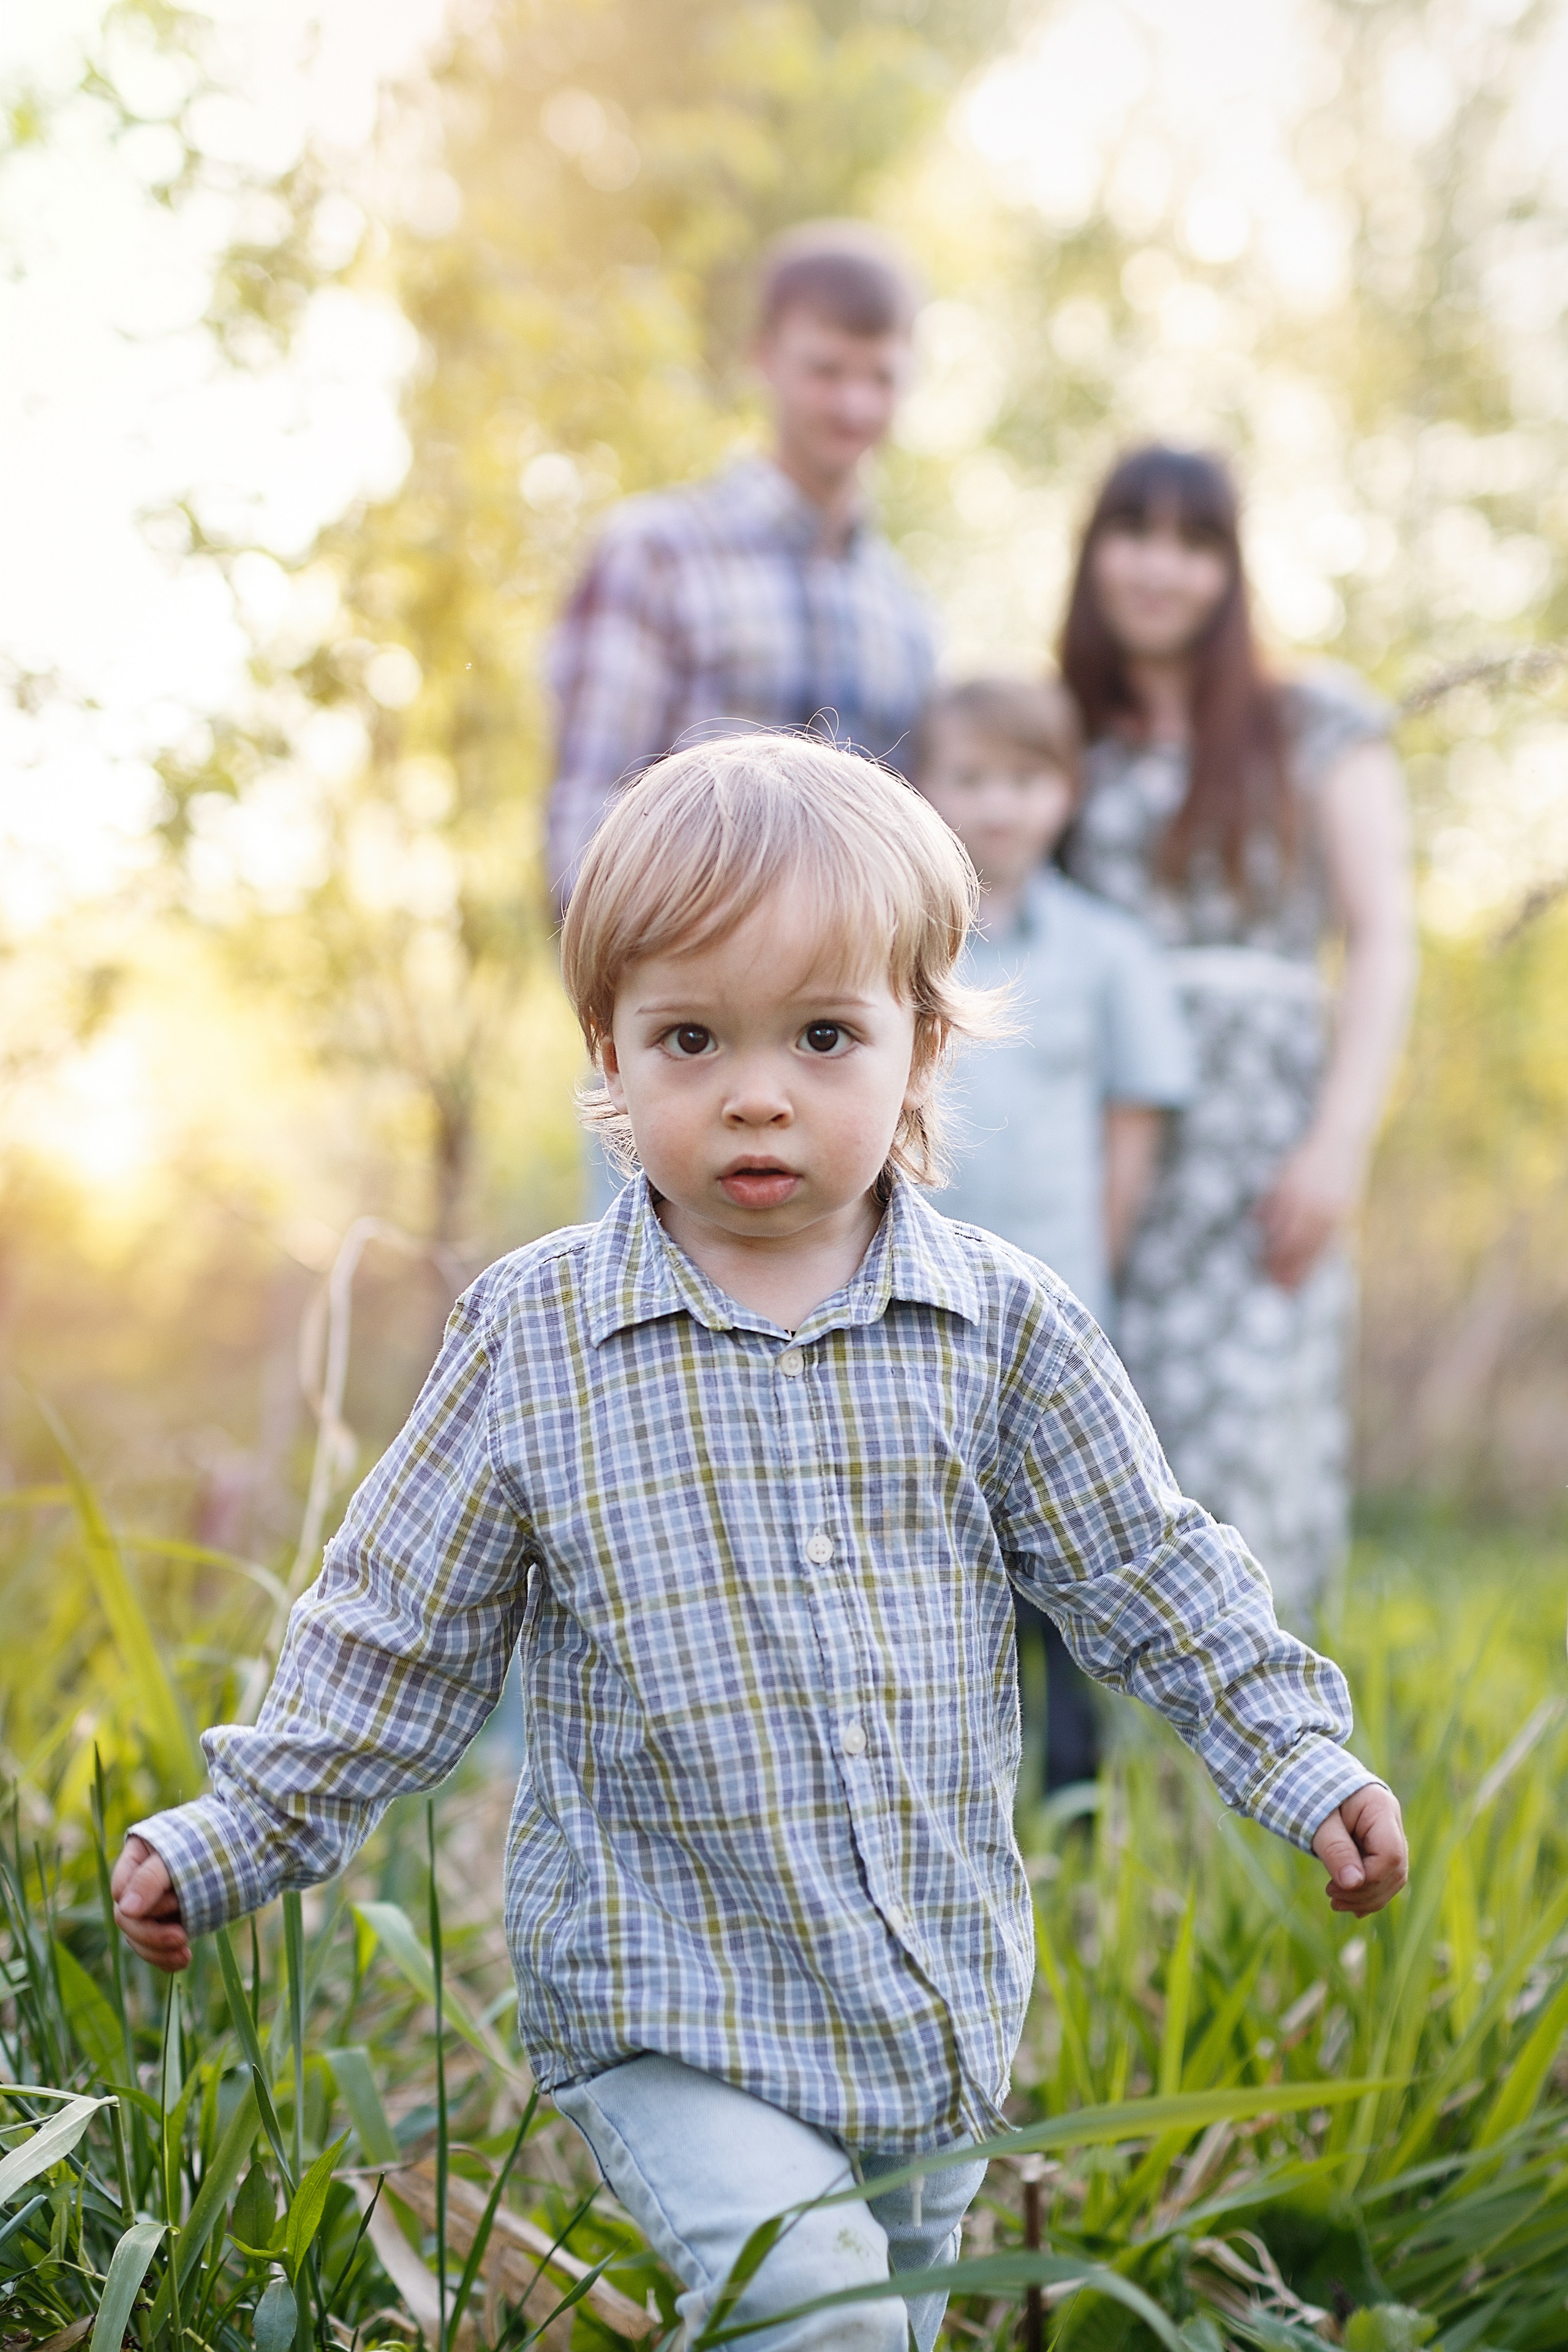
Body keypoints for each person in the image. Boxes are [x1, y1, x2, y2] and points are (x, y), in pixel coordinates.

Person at [113, 737, 1408, 2352]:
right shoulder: (541, 1336)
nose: (756, 1090)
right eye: (689, 1037)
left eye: (821, 1035)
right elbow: (397, 1627)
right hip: (672, 2005)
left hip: (933, 2003)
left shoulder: (999, 1326)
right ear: (608, 1051)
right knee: (832, 2324)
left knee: (891, 2318)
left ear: (920, 1046)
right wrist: (240, 1828)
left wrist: (1297, 1754)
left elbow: (1145, 1569)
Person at [1058, 445, 1417, 1628]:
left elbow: (1379, 938)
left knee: (1252, 1434)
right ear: (1094, 550)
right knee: (1113, 1435)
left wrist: (1340, 1144)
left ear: (1230, 567)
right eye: (1135, 534)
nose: (1161, 569)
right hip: (1110, 1127)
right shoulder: (1067, 735)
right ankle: (1102, 1771)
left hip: (1266, 1135)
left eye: (1193, 542)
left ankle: (1255, 1762)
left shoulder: (1312, 721)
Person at [915, 677, 1194, 1792]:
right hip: (918, 1296)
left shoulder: (1105, 950)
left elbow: (1131, 1129)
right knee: (934, 1537)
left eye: (1025, 781)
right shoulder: (895, 935)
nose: (997, 806)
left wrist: (1093, 1269)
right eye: (970, 778)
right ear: (925, 788)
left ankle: (1074, 1789)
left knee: (1059, 1545)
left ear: (1066, 795)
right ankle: (947, 1773)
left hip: (1055, 1295)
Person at [543, 219, 936, 906]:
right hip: (692, 985)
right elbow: (588, 822)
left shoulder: (906, 612)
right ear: (764, 358)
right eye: (826, 371)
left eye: (881, 377)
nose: (854, 404)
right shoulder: (656, 552)